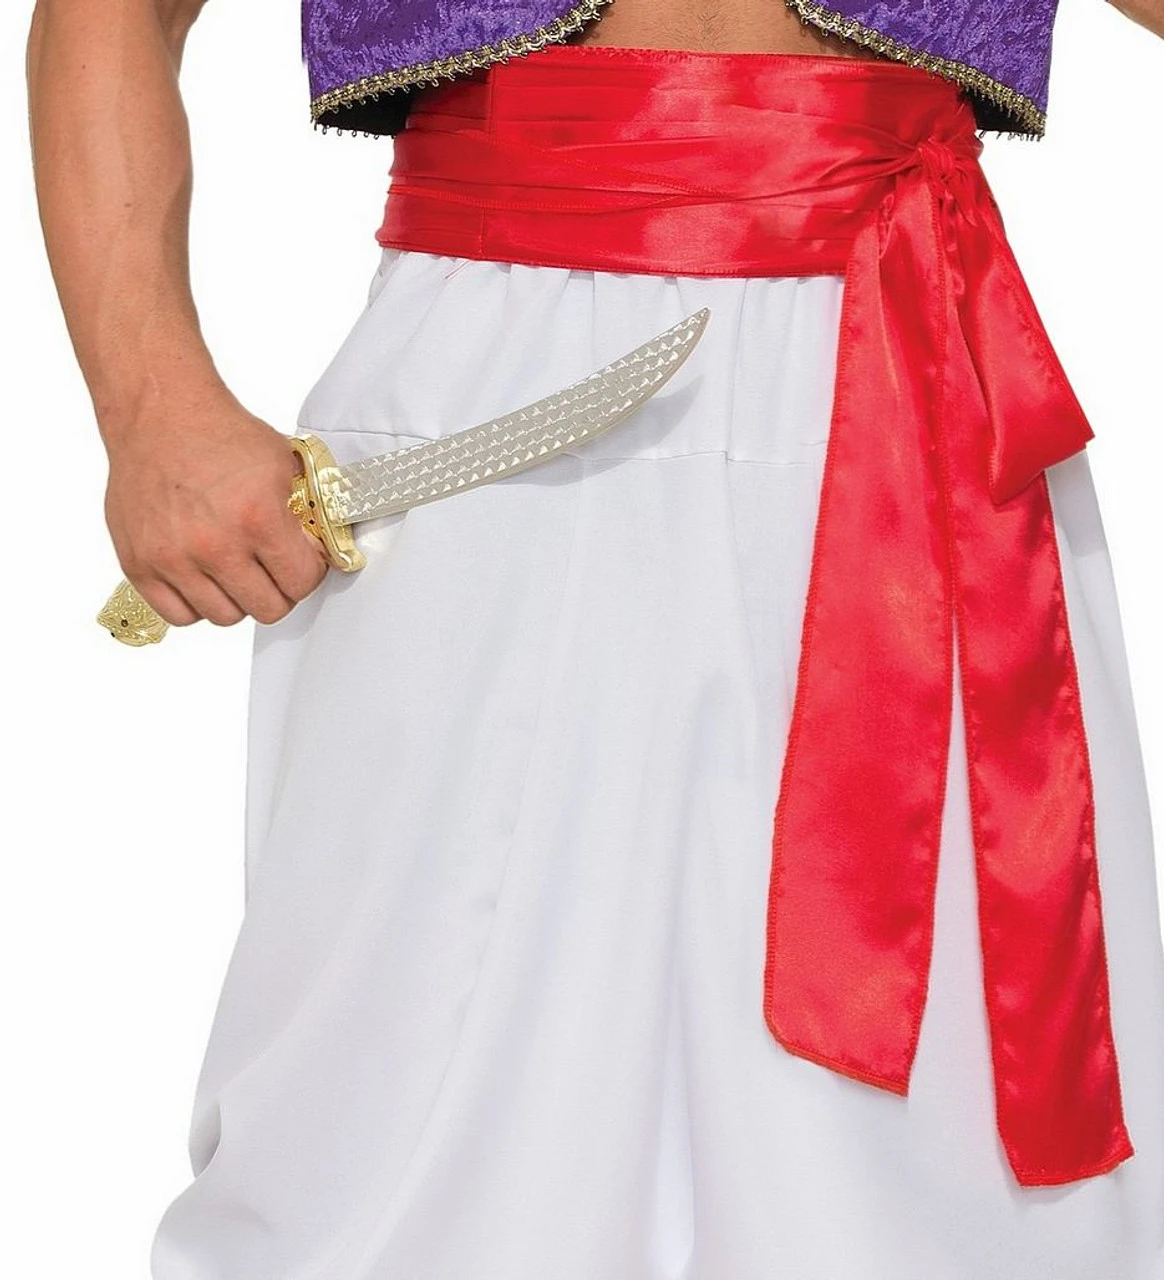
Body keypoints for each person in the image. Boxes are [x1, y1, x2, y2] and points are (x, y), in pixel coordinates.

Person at [26, 1, 1164, 1276]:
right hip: (491, 370)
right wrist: (152, 402)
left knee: (931, 1147)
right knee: (394, 1107)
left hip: (915, 371)